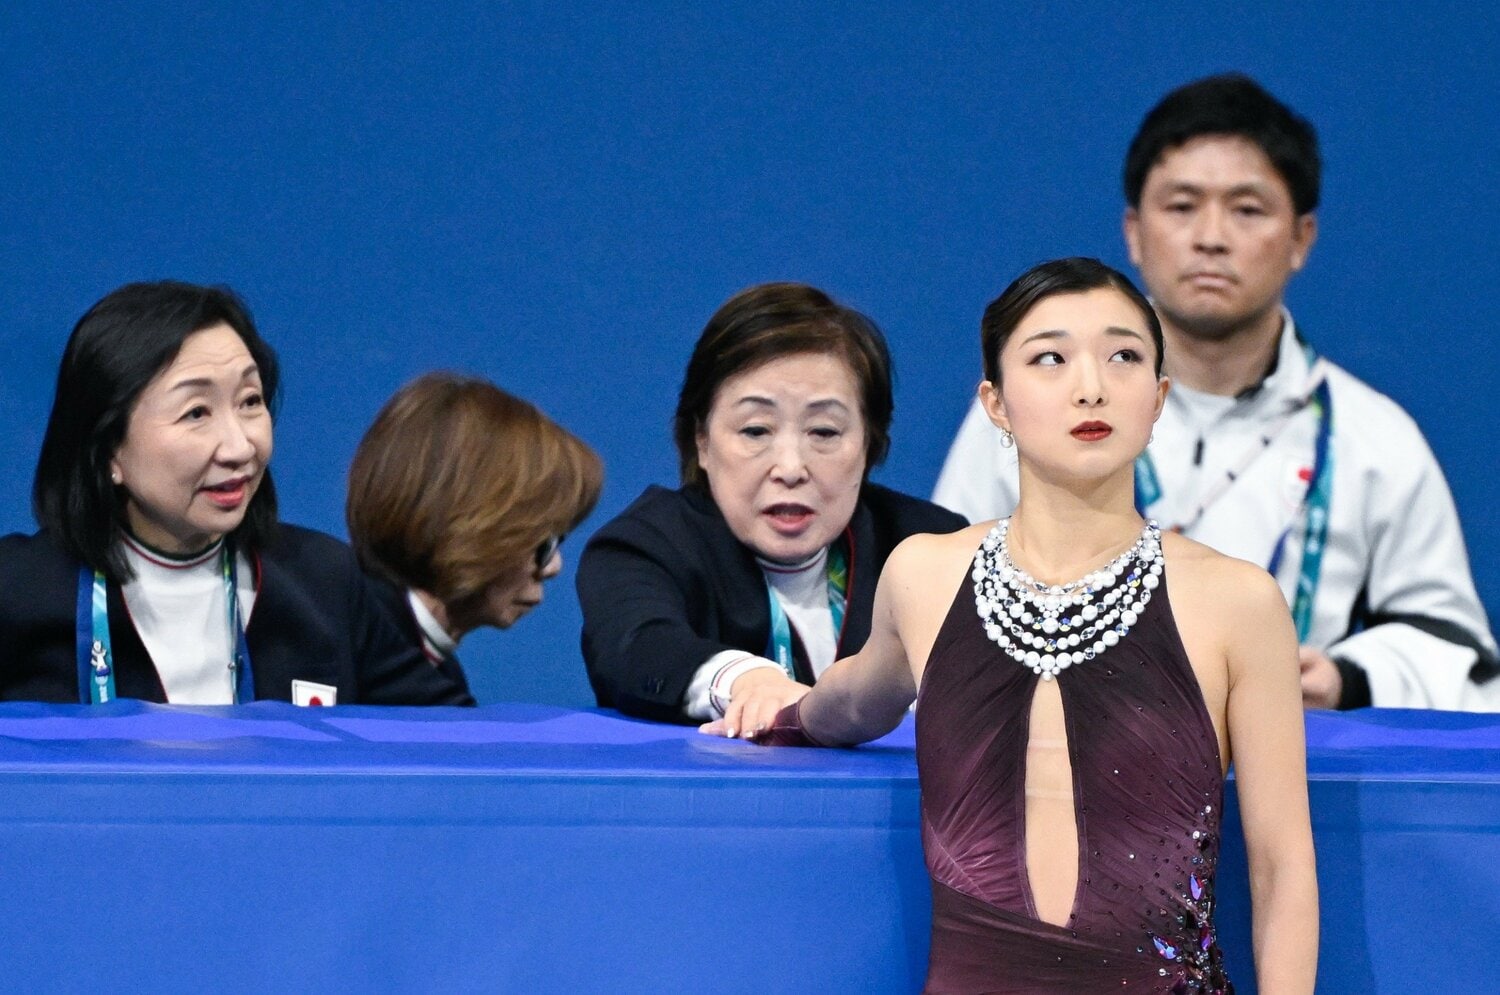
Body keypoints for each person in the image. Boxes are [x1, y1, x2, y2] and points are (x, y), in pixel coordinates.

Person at [711, 258, 1318, 993]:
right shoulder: (925, 575)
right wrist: (780, 709)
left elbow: (1282, 869)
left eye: (1123, 355)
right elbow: (850, 702)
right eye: (1050, 357)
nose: (1090, 385)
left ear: (1158, 397)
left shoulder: (1237, 601)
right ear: (995, 403)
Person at [934, 74, 1497, 712]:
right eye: (1181, 206)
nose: (1211, 237)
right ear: (1134, 233)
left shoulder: (1372, 436)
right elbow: (944, 608)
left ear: (1301, 238)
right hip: (1062, 760)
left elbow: (1462, 654)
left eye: (1247, 209)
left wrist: (1345, 677)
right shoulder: (1034, 408)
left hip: (1299, 763)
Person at [0, 280, 473, 706]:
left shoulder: (328, 583)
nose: (239, 446)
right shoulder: (15, 592)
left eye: (250, 402)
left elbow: (452, 750)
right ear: (108, 452)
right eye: (196, 412)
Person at [577, 282, 966, 724]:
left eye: (823, 432)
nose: (790, 467)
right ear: (701, 440)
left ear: (870, 444)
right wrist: (749, 680)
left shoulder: (936, 546)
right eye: (756, 431)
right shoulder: (646, 545)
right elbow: (639, 647)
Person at [346, 373, 603, 694]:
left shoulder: (434, 670)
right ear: (470, 521)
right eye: (544, 541)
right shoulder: (331, 636)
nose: (553, 567)